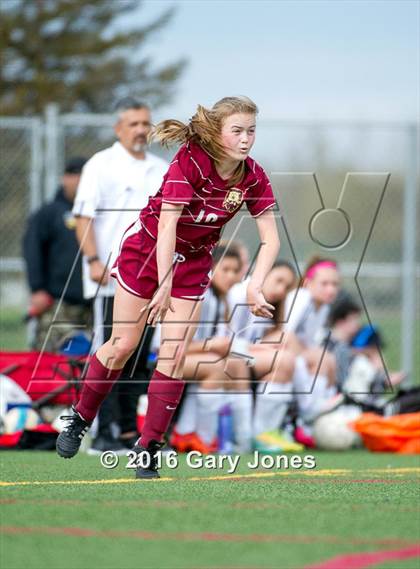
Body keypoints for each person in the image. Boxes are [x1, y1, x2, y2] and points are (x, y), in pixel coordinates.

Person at [56, 95, 280, 479]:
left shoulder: (253, 176)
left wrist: (255, 286)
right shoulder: (190, 160)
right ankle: (80, 417)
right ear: (217, 132)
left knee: (173, 356)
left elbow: (270, 239)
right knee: (123, 346)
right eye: (237, 131)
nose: (246, 139)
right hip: (146, 251)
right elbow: (166, 226)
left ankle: (148, 448)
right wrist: (163, 284)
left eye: (252, 131)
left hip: (193, 262)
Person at [72, 97, 168, 454]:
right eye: (134, 124)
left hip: (150, 279)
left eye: (146, 123)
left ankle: (129, 432)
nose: (142, 130)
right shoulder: (101, 164)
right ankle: (102, 431)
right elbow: (84, 217)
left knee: (141, 357)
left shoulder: (160, 168)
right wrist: (94, 260)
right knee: (111, 352)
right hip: (111, 277)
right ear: (118, 128)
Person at [171, 242, 250, 453]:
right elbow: (176, 346)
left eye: (235, 270)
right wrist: (213, 345)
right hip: (163, 357)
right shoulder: (200, 295)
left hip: (191, 356)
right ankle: (201, 438)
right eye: (225, 269)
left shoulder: (219, 298)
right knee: (215, 366)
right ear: (210, 268)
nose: (231, 276)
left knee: (237, 366)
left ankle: (243, 440)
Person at [23, 157, 91, 352]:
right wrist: (37, 289)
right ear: (65, 178)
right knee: (50, 360)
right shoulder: (48, 213)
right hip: (58, 304)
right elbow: (32, 251)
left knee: (91, 366)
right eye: (75, 175)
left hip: (93, 304)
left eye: (85, 176)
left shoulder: (97, 212)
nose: (79, 180)